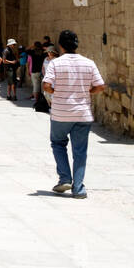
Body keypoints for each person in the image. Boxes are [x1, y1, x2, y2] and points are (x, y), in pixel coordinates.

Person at [41, 29, 106, 198]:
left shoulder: (55, 63)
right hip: (82, 113)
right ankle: (78, 188)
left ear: (61, 46)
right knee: (80, 151)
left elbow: (46, 85)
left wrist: (57, 91)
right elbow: (100, 86)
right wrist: (88, 91)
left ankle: (64, 178)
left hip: (61, 113)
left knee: (58, 144)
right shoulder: (89, 63)